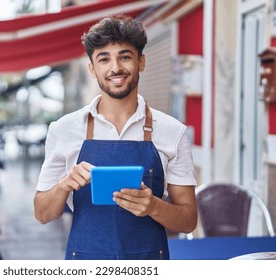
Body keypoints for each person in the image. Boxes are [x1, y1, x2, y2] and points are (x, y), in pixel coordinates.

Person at [34, 14, 197, 260]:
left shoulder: (172, 131)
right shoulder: (63, 129)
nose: (115, 68)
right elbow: (42, 214)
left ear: (141, 62)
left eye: (125, 56)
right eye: (104, 59)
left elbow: (188, 220)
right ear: (92, 68)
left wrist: (154, 206)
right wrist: (64, 185)